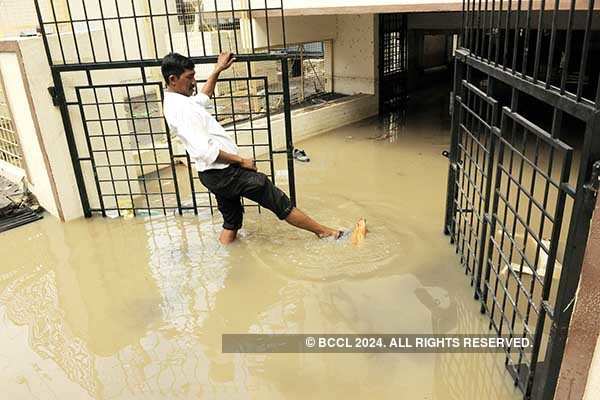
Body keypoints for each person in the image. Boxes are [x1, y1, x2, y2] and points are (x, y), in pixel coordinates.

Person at [161, 52, 346, 245]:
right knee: (276, 199)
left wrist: (218, 69)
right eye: (189, 77)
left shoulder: (180, 100)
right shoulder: (182, 109)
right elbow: (206, 152)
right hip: (224, 173)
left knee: (231, 222)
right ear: (173, 79)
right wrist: (242, 161)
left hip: (212, 175)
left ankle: (227, 258)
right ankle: (324, 232)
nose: (193, 81)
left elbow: (204, 97)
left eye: (193, 75)